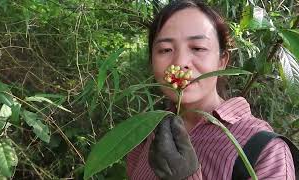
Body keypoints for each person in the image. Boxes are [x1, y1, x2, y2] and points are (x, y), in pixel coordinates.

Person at [126, 0, 297, 179]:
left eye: (198, 48)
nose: (180, 62)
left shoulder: (266, 150)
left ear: (222, 61)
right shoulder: (144, 136)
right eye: (165, 50)